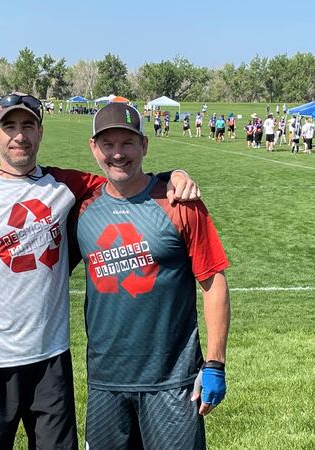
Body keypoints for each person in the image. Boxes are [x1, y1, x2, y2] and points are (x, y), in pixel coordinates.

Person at [0, 92, 200, 450]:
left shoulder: (66, 186)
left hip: (50, 362)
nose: (19, 135)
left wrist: (173, 175)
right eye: (9, 126)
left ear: (40, 132)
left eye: (28, 125)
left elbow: (126, 178)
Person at [74, 103, 230, 449]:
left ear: (144, 145)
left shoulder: (179, 203)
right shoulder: (82, 208)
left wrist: (215, 363)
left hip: (171, 382)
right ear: (93, 147)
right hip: (105, 383)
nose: (118, 154)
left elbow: (213, 281)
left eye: (127, 143)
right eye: (108, 144)